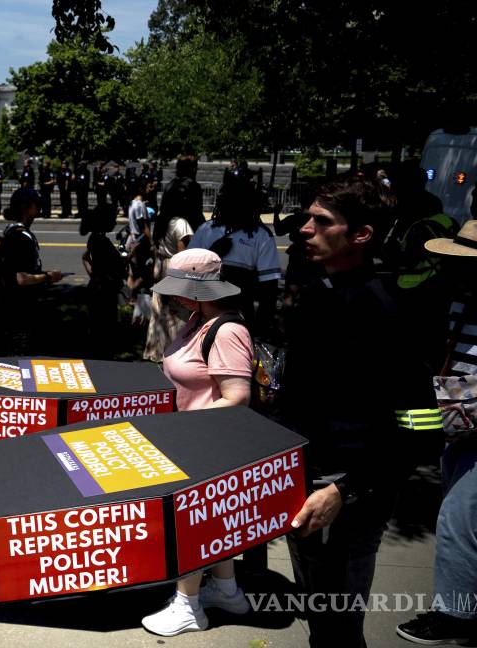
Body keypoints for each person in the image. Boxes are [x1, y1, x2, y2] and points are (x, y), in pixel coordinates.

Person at [281, 177, 439, 648]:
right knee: (318, 615)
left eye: (321, 222)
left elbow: (420, 429)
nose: (304, 230)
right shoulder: (318, 290)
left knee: (339, 626)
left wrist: (344, 490)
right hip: (302, 476)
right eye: (307, 218)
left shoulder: (387, 308)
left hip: (350, 489)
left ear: (361, 235)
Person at [396, 220, 477, 645]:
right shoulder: (460, 303)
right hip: (462, 429)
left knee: (460, 514)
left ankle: (455, 615)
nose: (456, 269)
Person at [140, 249, 255, 636]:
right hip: (195, 440)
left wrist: (187, 433)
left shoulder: (227, 331)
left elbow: (236, 396)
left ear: (201, 291)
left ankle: (188, 605)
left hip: (207, 445)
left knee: (192, 526)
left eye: (180, 289)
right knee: (211, 523)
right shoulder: (198, 321)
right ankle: (226, 590)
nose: (173, 296)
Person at [187, 178, 281, 336]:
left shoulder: (261, 235)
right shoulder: (207, 229)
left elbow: (269, 289)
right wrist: (213, 254)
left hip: (240, 317)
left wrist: (260, 327)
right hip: (204, 315)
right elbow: (186, 272)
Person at [2, 187, 64, 355]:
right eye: (36, 205)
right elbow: (21, 278)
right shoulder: (21, 238)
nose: (39, 208)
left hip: (14, 306)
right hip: (21, 309)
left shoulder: (10, 232)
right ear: (25, 207)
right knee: (21, 358)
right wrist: (47, 276)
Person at [143, 192, 195, 362]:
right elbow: (183, 253)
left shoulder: (161, 221)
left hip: (160, 266)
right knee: (177, 314)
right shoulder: (181, 223)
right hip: (174, 267)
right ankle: (174, 351)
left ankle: (156, 349)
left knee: (160, 311)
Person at [81, 204, 126, 358]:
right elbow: (115, 266)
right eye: (113, 219)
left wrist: (94, 276)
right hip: (104, 294)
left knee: (97, 331)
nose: (115, 222)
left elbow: (85, 258)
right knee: (104, 332)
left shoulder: (94, 238)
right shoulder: (102, 242)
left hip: (99, 290)